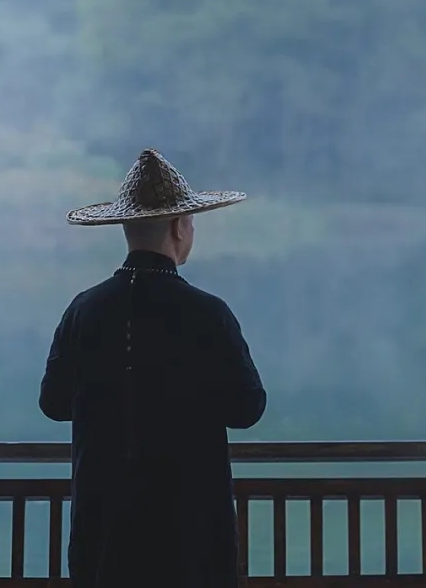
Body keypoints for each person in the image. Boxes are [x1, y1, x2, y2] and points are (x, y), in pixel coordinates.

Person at [39, 148, 266, 588]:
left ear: (125, 228)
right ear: (180, 227)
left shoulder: (84, 310)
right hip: (190, 523)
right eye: (192, 223)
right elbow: (247, 409)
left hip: (103, 520)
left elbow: (53, 403)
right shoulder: (208, 313)